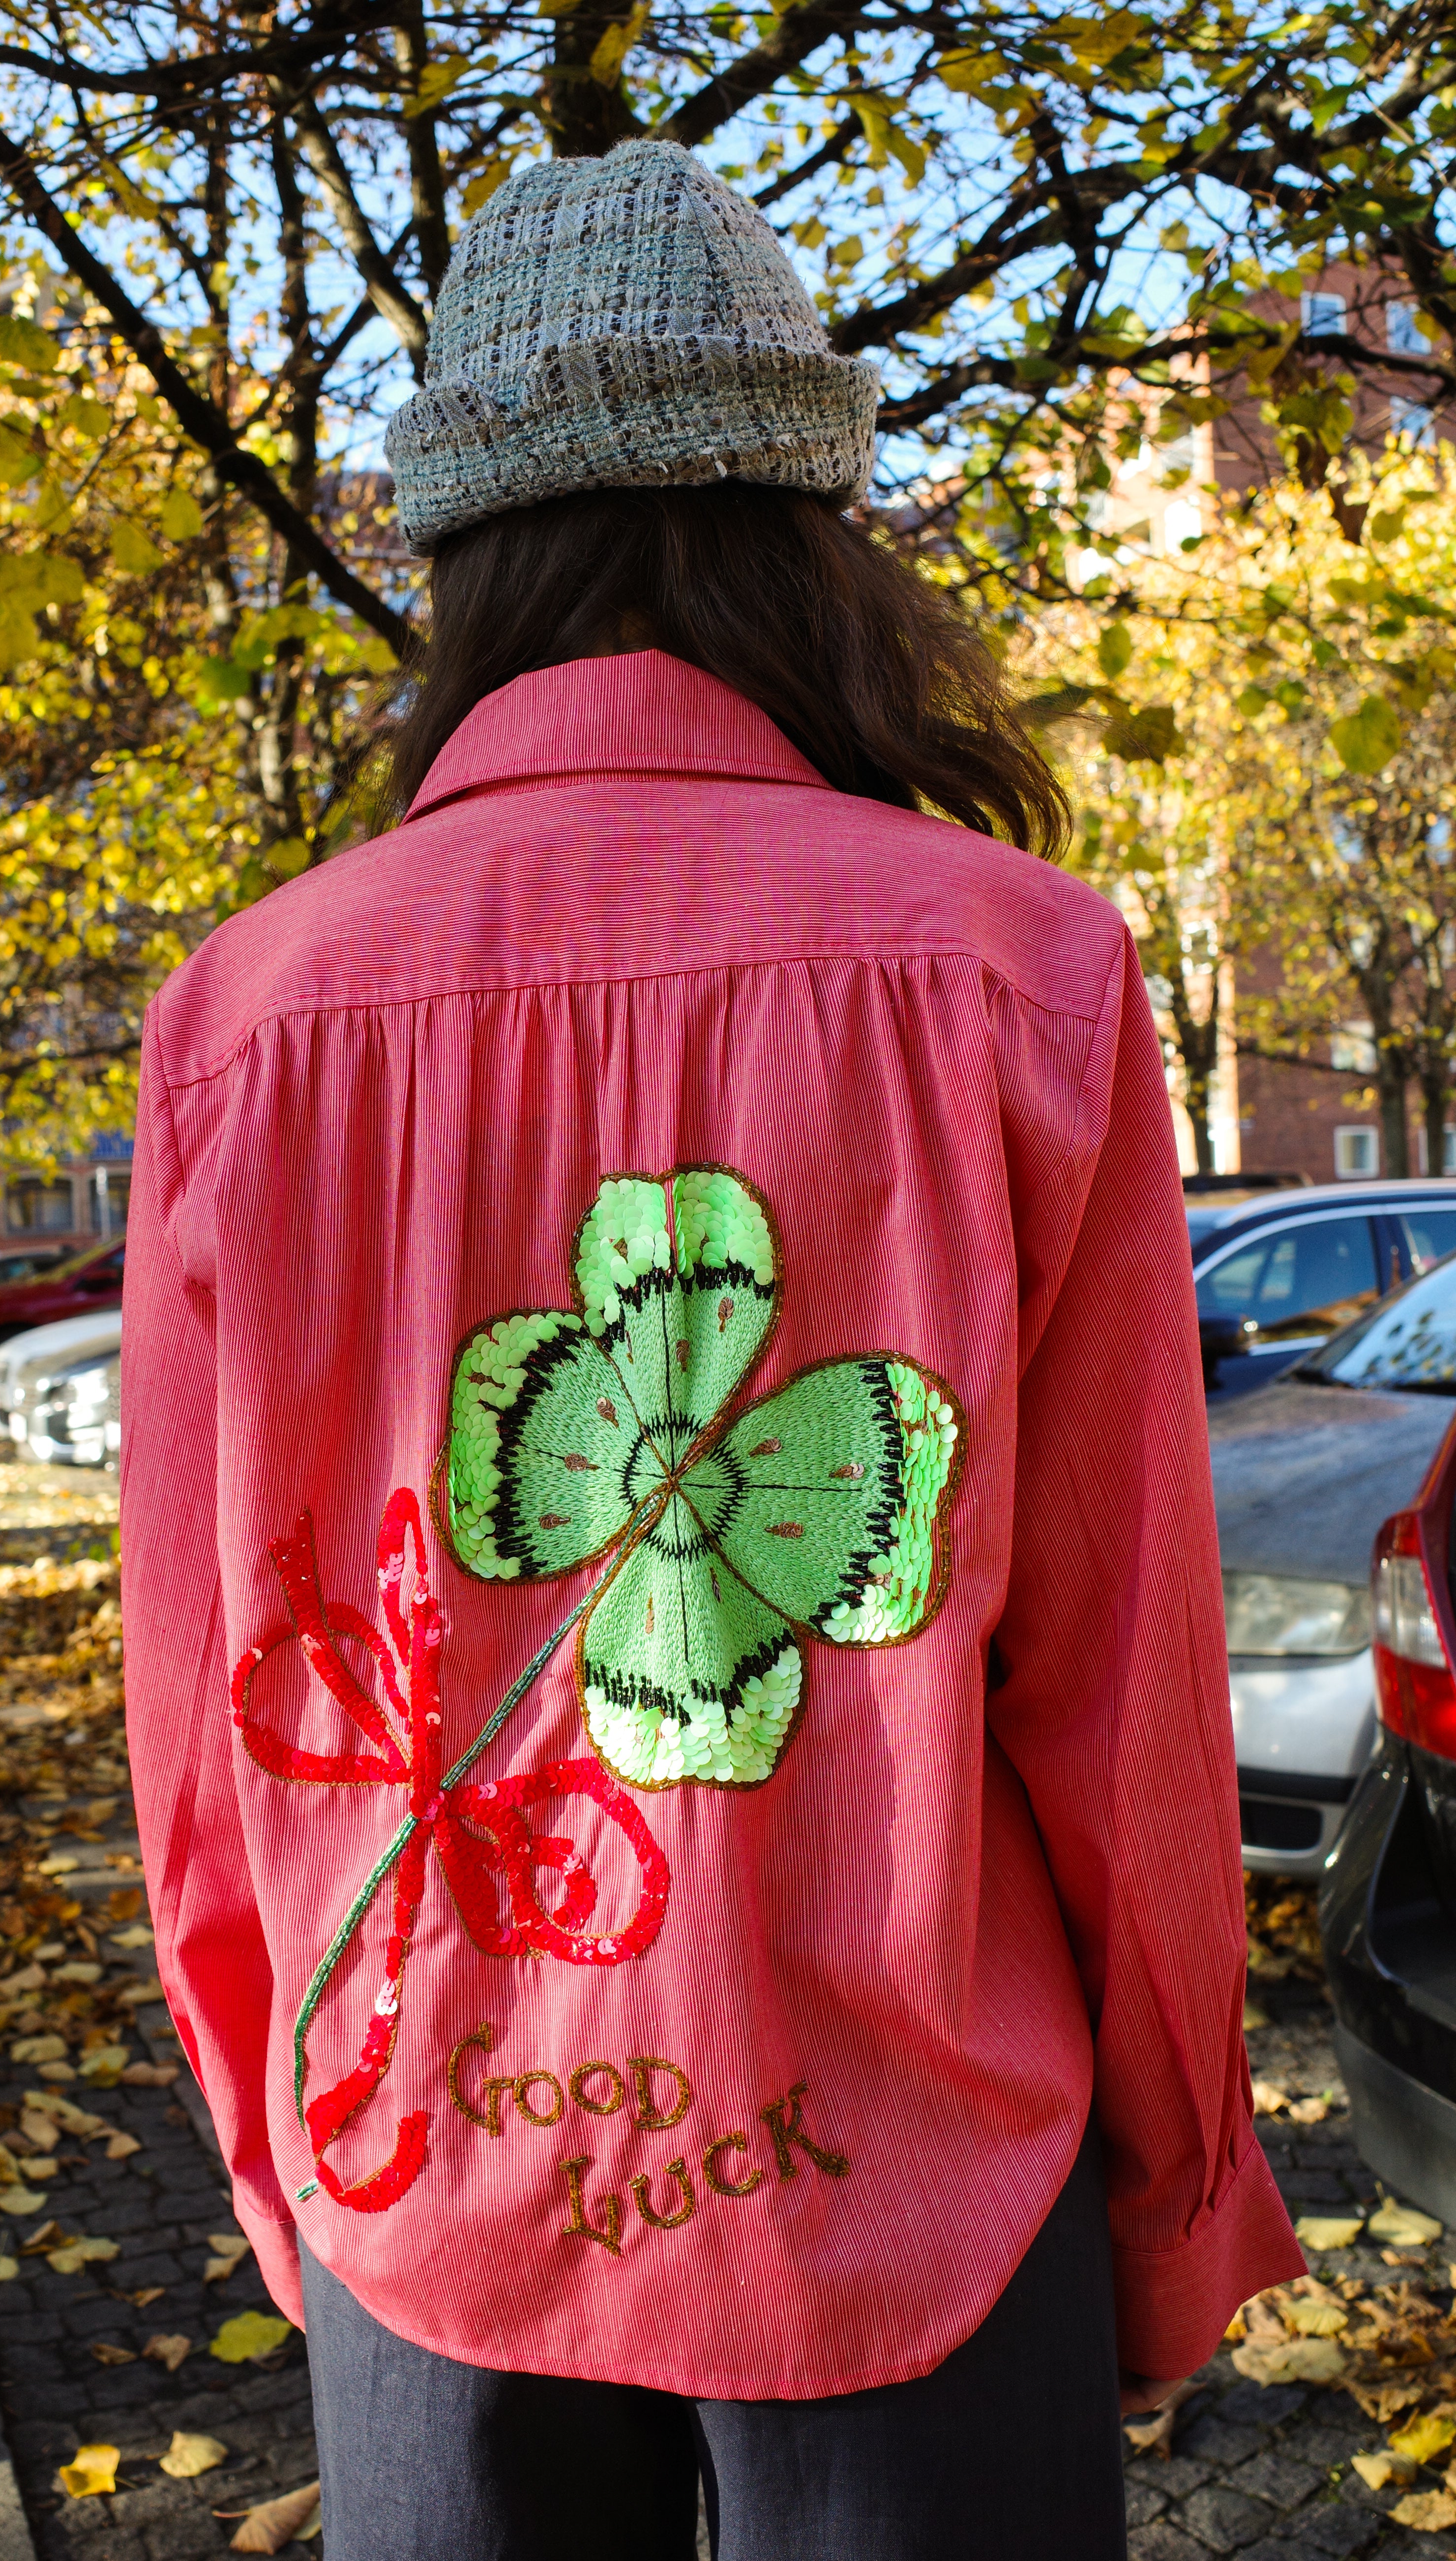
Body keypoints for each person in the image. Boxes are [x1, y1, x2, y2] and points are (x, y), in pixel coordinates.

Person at [120, 139, 1301, 2561]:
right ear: (814, 539)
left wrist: (279, 2162)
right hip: (922, 2194)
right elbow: (1124, 1703)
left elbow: (203, 1715)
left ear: (457, 565)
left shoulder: (248, 1021)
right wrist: (1176, 2208)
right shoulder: (1017, 974)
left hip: (413, 2170)